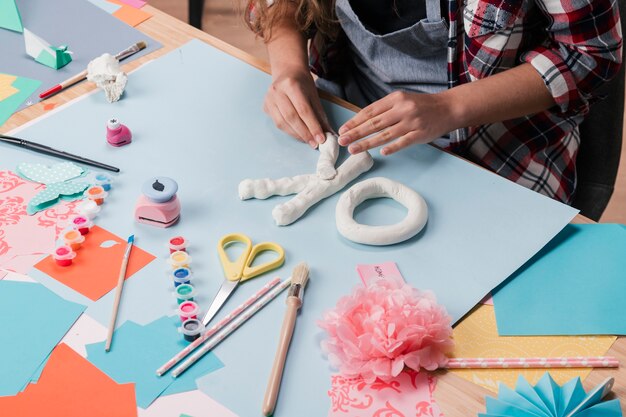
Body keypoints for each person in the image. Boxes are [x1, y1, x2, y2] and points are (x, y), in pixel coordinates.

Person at [246, 0, 623, 203]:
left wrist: (448, 108)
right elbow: (277, 5)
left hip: (501, 145)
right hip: (348, 116)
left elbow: (592, 54)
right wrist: (288, 67)